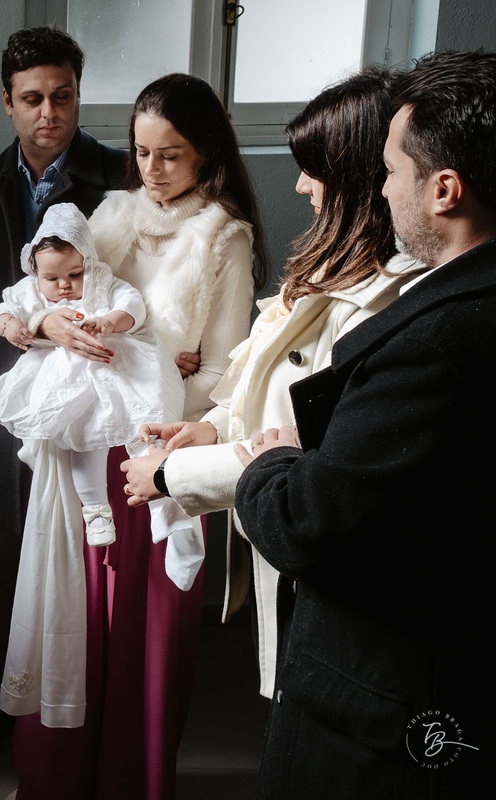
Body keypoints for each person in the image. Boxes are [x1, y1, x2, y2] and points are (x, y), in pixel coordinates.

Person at [234, 50, 491, 799]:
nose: (380, 190)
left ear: (444, 189)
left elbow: (304, 522)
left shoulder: (434, 344)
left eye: (389, 171)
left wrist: (272, 463)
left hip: (394, 702)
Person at [122, 69, 426, 701]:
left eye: (312, 169)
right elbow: (264, 385)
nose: (299, 185)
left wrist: (173, 474)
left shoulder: (380, 303)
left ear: (356, 175)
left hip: (318, 535)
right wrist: (210, 426)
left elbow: (310, 445)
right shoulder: (328, 268)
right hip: (271, 510)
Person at [9, 73, 265, 800]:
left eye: (171, 155)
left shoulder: (223, 236)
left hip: (160, 448)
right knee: (75, 614)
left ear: (206, 152)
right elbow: (52, 288)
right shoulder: (111, 214)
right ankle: (59, 775)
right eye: (143, 152)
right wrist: (46, 323)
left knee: (143, 630)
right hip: (85, 444)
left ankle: (130, 780)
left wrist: (164, 374)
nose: (152, 169)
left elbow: (222, 371)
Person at [0, 26, 127, 775]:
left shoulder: (120, 176)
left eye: (62, 96)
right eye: (33, 99)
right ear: (6, 103)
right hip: (0, 402)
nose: (50, 112)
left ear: (78, 94)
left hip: (91, 404)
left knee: (86, 564)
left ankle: (79, 714)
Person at [0, 202, 202, 730]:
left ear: (89, 262)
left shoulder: (104, 284)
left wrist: (111, 320)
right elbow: (4, 311)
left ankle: (170, 515)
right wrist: (16, 326)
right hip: (66, 385)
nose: (64, 287)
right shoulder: (32, 290)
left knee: (145, 428)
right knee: (78, 442)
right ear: (35, 272)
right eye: (52, 278)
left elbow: (134, 307)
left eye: (74, 274)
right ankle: (94, 510)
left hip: (115, 370)